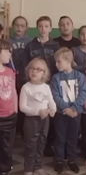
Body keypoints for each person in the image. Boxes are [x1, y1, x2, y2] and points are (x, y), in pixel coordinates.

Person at [50, 48, 86, 174]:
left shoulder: (80, 76)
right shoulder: (56, 78)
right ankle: (59, 160)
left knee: (73, 137)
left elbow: (83, 93)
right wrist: (66, 108)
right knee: (60, 137)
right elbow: (55, 96)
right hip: (61, 113)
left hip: (75, 113)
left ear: (68, 61)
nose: (56, 64)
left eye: (58, 62)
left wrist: (74, 108)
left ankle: (72, 159)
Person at [26, 16, 60, 157]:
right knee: (35, 113)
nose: (43, 29)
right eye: (40, 26)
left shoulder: (55, 46)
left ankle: (47, 143)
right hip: (34, 86)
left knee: (49, 114)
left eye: (46, 26)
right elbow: (26, 65)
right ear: (37, 28)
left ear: (51, 28)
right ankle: (33, 143)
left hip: (50, 85)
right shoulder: (30, 45)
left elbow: (59, 65)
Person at [19, 58, 56, 175]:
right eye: (32, 69)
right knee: (31, 144)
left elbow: (51, 102)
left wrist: (53, 110)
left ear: (44, 73)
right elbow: (22, 107)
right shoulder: (26, 87)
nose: (34, 72)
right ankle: (28, 169)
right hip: (31, 120)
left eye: (38, 69)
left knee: (41, 143)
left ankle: (38, 166)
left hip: (44, 120)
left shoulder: (46, 87)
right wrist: (37, 112)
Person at [10, 16, 32, 136]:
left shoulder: (30, 41)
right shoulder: (8, 41)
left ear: (26, 28)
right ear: (13, 26)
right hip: (12, 78)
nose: (19, 28)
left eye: (22, 26)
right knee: (14, 103)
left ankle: (24, 130)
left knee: (25, 102)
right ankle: (14, 129)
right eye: (17, 25)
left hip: (26, 77)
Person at [0, 40, 17, 175]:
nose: (9, 54)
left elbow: (13, 92)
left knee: (6, 145)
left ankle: (4, 171)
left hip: (9, 115)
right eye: (6, 51)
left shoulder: (10, 71)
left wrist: (15, 110)